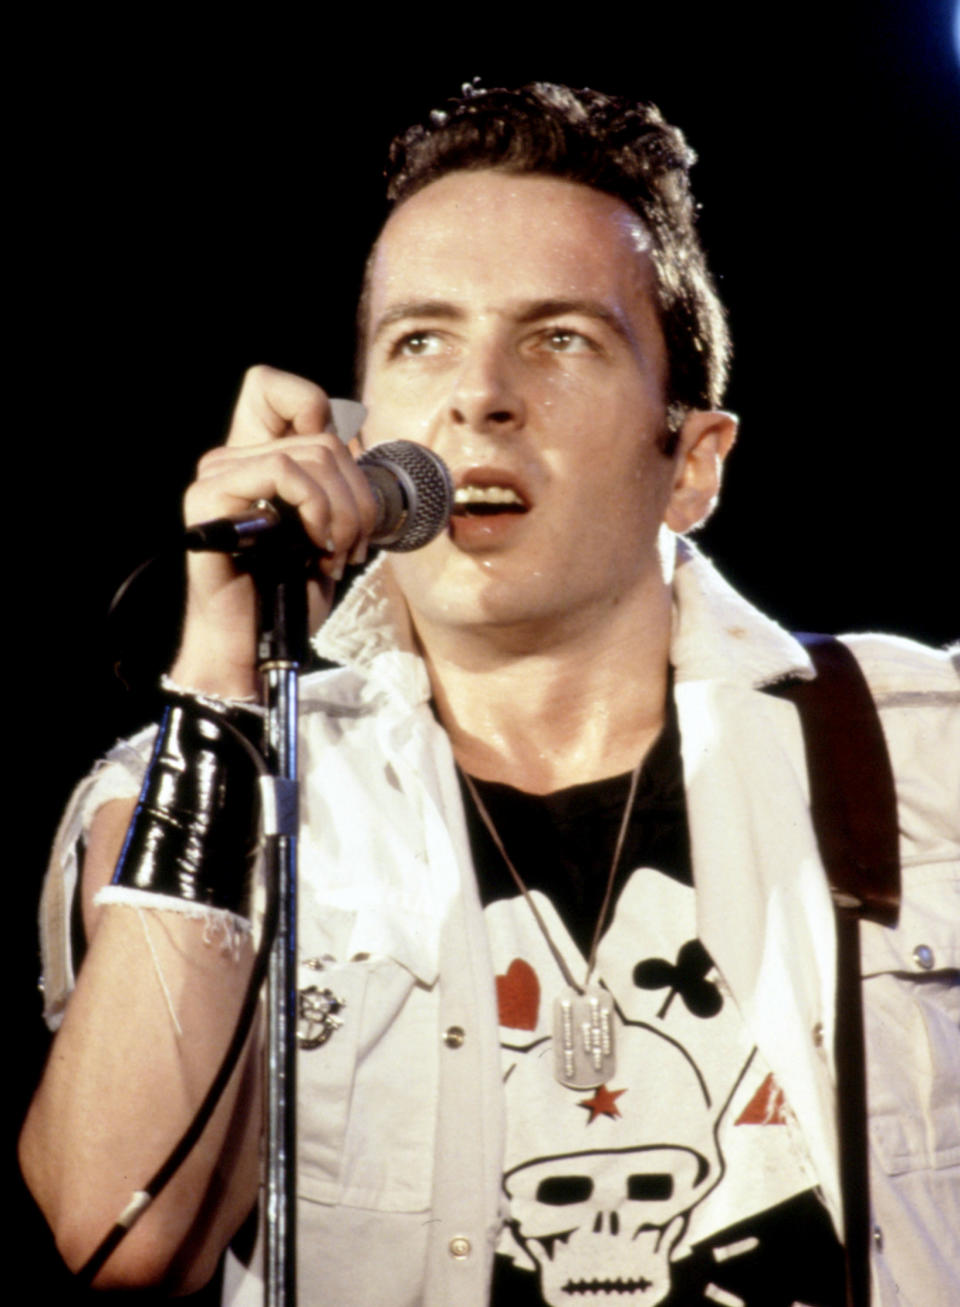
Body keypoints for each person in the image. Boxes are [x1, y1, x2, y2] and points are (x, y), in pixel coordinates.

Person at [19, 83, 959, 1307]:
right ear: (358, 434)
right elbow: (125, 1230)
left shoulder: (927, 741)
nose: (479, 396)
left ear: (690, 464)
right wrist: (219, 676)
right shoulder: (191, 785)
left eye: (560, 336)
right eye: (422, 341)